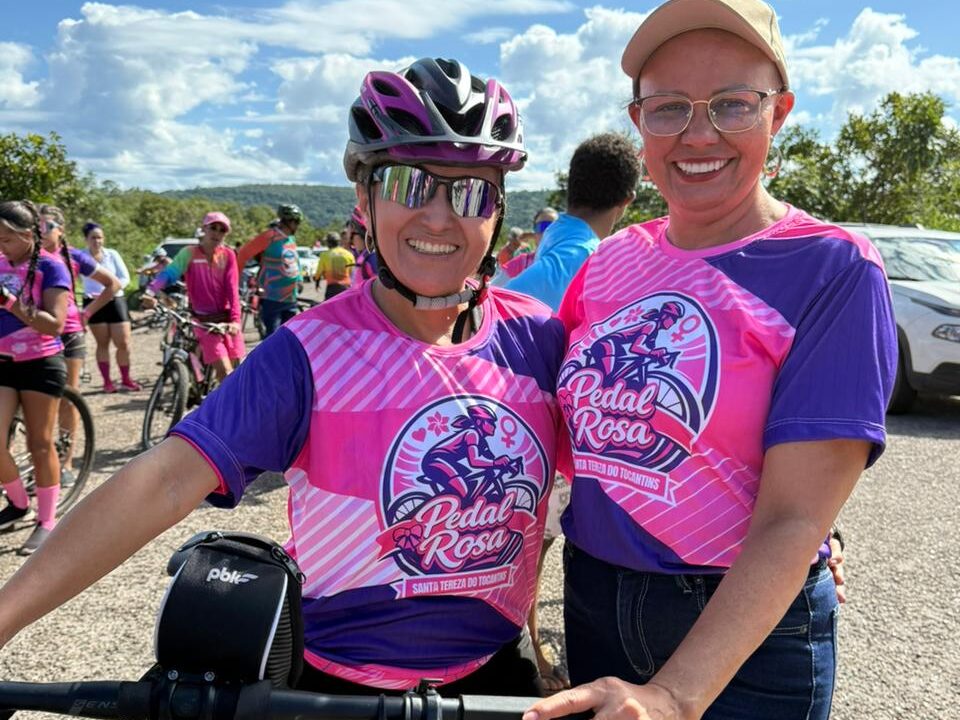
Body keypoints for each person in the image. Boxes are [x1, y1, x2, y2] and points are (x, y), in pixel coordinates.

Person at [0, 57, 566, 698]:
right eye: (409, 184)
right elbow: (163, 482)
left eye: (470, 192)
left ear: (497, 212)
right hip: (342, 688)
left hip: (499, 673)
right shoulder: (308, 352)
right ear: (364, 199)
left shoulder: (540, 339)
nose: (438, 217)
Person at [524, 2, 896, 720]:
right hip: (594, 596)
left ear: (779, 113)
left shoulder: (833, 268)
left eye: (733, 103)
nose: (698, 134)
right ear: (639, 123)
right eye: (669, 107)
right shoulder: (610, 262)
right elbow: (551, 432)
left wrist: (673, 693)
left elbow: (794, 516)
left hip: (742, 634)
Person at [503, 132, 642, 693]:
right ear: (628, 199)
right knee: (530, 560)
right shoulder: (599, 264)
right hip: (554, 445)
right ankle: (532, 667)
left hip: (507, 434)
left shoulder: (540, 253)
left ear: (569, 188)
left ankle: (529, 656)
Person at [0, 200, 71, 556]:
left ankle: (47, 521)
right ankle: (18, 502)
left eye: (6, 239)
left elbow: (55, 323)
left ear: (29, 234)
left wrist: (9, 301)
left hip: (41, 363)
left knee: (39, 444)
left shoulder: (51, 266)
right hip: (4, 362)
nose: (1, 247)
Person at [38, 205, 122, 483]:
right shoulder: (26, 257)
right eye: (36, 226)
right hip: (35, 333)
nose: (40, 231)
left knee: (67, 397)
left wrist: (87, 313)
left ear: (61, 230)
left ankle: (66, 462)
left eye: (47, 226)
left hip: (70, 332)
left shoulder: (73, 256)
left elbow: (112, 284)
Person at [142, 212, 245, 381]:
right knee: (226, 373)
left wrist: (235, 320)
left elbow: (232, 289)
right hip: (203, 321)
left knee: (238, 372)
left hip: (227, 320)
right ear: (204, 228)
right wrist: (150, 292)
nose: (217, 233)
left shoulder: (228, 255)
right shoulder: (189, 253)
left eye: (222, 230)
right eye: (213, 227)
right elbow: (168, 274)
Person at [80, 222, 139, 392]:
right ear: (86, 239)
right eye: (93, 238)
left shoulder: (112, 255)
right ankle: (107, 382)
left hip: (115, 300)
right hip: (93, 302)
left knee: (123, 342)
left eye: (99, 237)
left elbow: (124, 277)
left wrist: (112, 290)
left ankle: (126, 378)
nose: (97, 241)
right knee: (102, 343)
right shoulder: (81, 256)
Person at [236, 204, 303, 336]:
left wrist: (300, 279)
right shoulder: (269, 236)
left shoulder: (290, 238)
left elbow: (296, 261)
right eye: (296, 222)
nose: (297, 226)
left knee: (288, 337)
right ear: (288, 221)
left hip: (291, 298)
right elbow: (243, 254)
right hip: (272, 297)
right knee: (273, 337)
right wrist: (235, 281)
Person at [315, 226, 354, 300]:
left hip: (332, 289)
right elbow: (352, 272)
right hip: (346, 287)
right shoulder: (348, 254)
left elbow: (319, 273)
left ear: (329, 243)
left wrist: (317, 284)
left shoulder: (325, 255)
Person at [346, 205, 378, 286]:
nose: (346, 230)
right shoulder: (363, 255)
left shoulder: (371, 258)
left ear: (353, 228)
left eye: (348, 225)